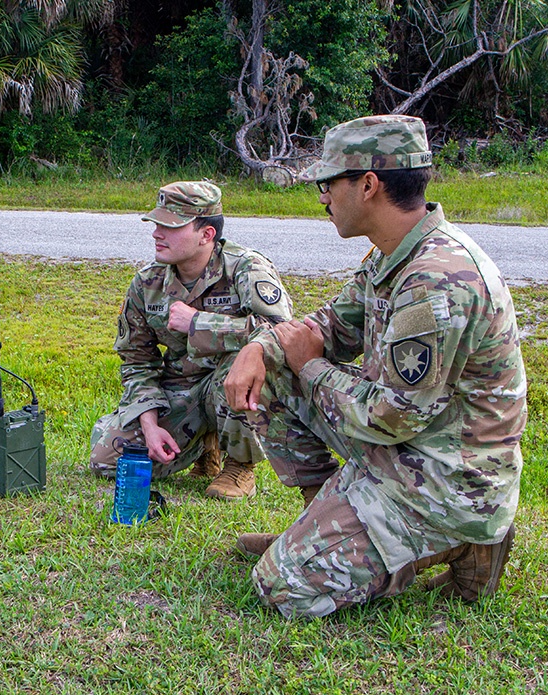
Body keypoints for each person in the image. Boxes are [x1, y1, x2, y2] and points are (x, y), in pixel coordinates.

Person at [223, 115, 526, 618]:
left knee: (283, 589)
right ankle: (324, 522)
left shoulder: (436, 281)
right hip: (408, 446)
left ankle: (461, 542)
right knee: (273, 370)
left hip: (447, 477)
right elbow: (328, 328)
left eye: (327, 183)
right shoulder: (393, 256)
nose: (321, 197)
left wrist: (312, 367)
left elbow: (392, 417)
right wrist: (261, 346)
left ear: (368, 185)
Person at [90, 181, 293, 499]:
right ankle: (204, 445)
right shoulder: (148, 283)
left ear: (206, 234)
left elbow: (280, 332)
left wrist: (198, 323)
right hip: (181, 390)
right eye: (156, 224)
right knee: (108, 461)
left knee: (246, 364)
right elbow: (136, 360)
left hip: (231, 384)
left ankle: (240, 465)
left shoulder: (247, 268)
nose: (157, 233)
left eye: (170, 226)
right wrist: (149, 423)